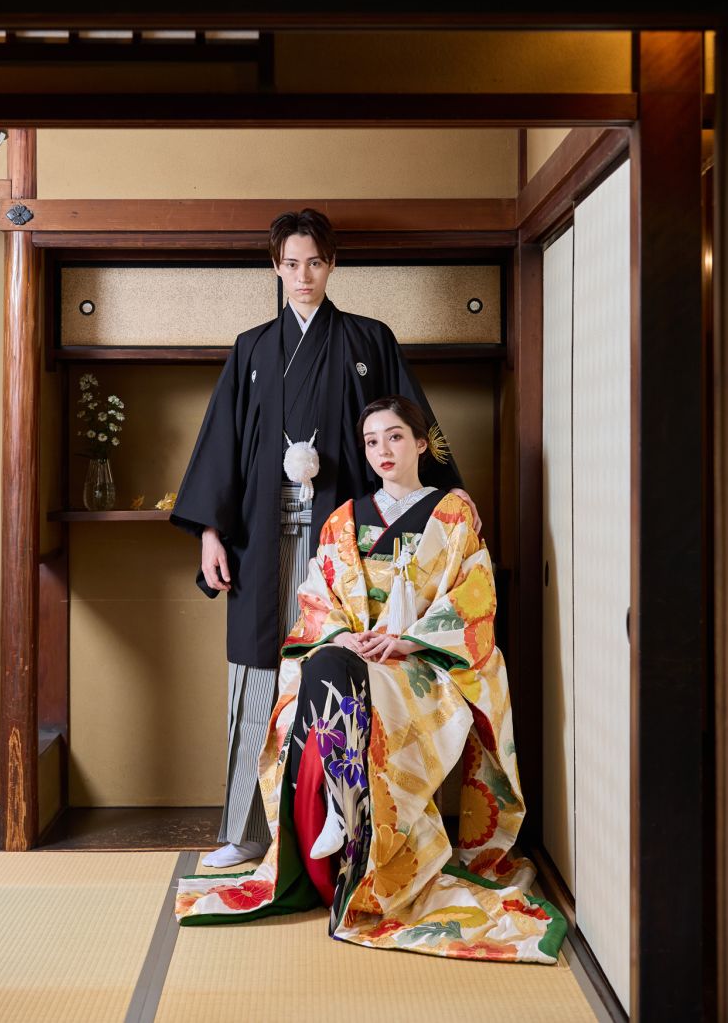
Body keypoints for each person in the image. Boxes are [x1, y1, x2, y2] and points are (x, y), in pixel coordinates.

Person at [175, 396, 565, 965]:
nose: (383, 450)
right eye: (371, 441)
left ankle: (344, 820)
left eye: (396, 437)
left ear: (422, 444)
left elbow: (474, 599)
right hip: (355, 654)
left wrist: (408, 642)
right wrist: (342, 635)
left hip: (422, 664)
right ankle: (342, 810)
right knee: (324, 663)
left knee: (330, 675)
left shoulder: (453, 514)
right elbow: (318, 598)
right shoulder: (343, 518)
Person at [171, 209, 477, 868]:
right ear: (275, 267)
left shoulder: (369, 339)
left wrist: (447, 493)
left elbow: (408, 425)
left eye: (314, 262)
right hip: (261, 535)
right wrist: (210, 532)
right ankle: (247, 831)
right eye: (291, 264)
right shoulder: (253, 348)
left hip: (347, 541)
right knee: (257, 671)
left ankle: (351, 828)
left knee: (337, 669)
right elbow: (221, 442)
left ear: (331, 263)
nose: (303, 276)